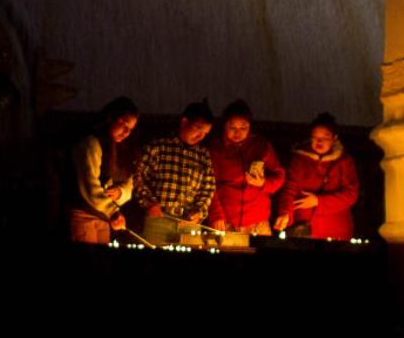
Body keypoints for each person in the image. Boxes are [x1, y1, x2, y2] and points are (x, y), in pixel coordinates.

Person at [134, 99, 216, 245]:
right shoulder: (158, 146)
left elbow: (208, 188)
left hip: (189, 225)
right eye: (198, 129)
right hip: (158, 221)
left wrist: (199, 210)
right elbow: (138, 175)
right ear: (184, 122)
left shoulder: (203, 155)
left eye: (205, 133)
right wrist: (149, 202)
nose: (200, 136)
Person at [274, 112, 359, 240]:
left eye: (325, 137)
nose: (319, 141)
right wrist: (285, 213)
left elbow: (351, 194)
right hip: (303, 230)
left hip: (336, 230)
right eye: (315, 137)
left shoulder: (344, 161)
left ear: (334, 138)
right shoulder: (299, 160)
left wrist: (318, 201)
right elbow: (289, 189)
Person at [206, 99, 285, 235]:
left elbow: (279, 176)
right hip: (225, 221)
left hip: (257, 222)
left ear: (250, 127)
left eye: (243, 127)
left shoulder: (261, 146)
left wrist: (264, 183)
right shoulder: (216, 148)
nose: (237, 132)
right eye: (232, 127)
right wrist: (216, 215)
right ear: (224, 126)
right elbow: (210, 184)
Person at [68, 96, 140, 244]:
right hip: (84, 215)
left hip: (104, 217)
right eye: (124, 124)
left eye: (131, 129)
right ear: (110, 118)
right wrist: (112, 212)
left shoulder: (123, 150)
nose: (126, 132)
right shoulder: (91, 144)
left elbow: (129, 183)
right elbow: (89, 185)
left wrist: (120, 192)